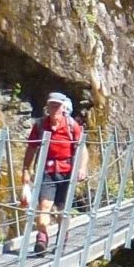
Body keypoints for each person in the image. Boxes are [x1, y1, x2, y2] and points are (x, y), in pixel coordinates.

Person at [20, 91, 83, 257]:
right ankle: (42, 238)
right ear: (47, 107)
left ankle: (62, 238)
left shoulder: (71, 126)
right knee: (44, 209)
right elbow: (31, 148)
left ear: (63, 107)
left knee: (62, 210)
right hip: (47, 172)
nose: (54, 108)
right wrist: (26, 170)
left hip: (66, 173)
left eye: (57, 105)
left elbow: (81, 148)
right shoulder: (40, 125)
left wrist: (82, 168)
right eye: (51, 105)